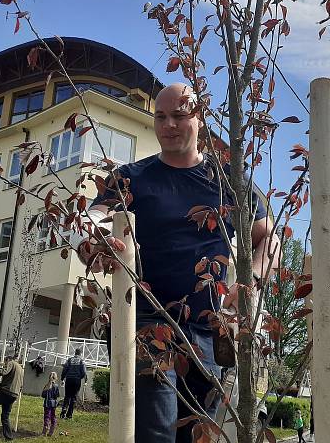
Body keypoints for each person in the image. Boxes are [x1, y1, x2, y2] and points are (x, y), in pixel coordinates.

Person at [78, 83, 278, 443]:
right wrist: (98, 235)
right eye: (160, 116)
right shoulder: (130, 178)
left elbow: (269, 238)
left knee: (198, 435)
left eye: (179, 116)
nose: (168, 124)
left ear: (199, 120)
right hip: (145, 322)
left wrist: (253, 282)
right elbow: (97, 215)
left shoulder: (230, 183)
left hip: (210, 332)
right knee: (156, 431)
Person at [60, 349, 87, 419]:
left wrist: (62, 378)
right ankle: (69, 415)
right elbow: (84, 372)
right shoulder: (81, 361)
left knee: (67, 396)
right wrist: (80, 378)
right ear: (80, 354)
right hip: (76, 381)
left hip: (69, 379)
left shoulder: (69, 360)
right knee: (73, 397)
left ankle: (63, 411)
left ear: (75, 353)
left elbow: (65, 369)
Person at [41, 372, 61, 436]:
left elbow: (43, 395)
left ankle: (44, 431)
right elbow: (57, 395)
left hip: (47, 403)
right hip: (53, 404)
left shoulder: (46, 385)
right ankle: (51, 432)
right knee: (53, 417)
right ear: (56, 378)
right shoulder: (56, 386)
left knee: (47, 416)